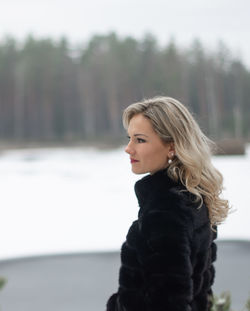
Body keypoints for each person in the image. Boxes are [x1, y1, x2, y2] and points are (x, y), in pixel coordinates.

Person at [106, 96, 229, 311]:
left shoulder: (166, 211)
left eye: (140, 140)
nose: (128, 148)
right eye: (129, 138)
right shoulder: (193, 198)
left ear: (171, 146)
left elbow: (168, 302)